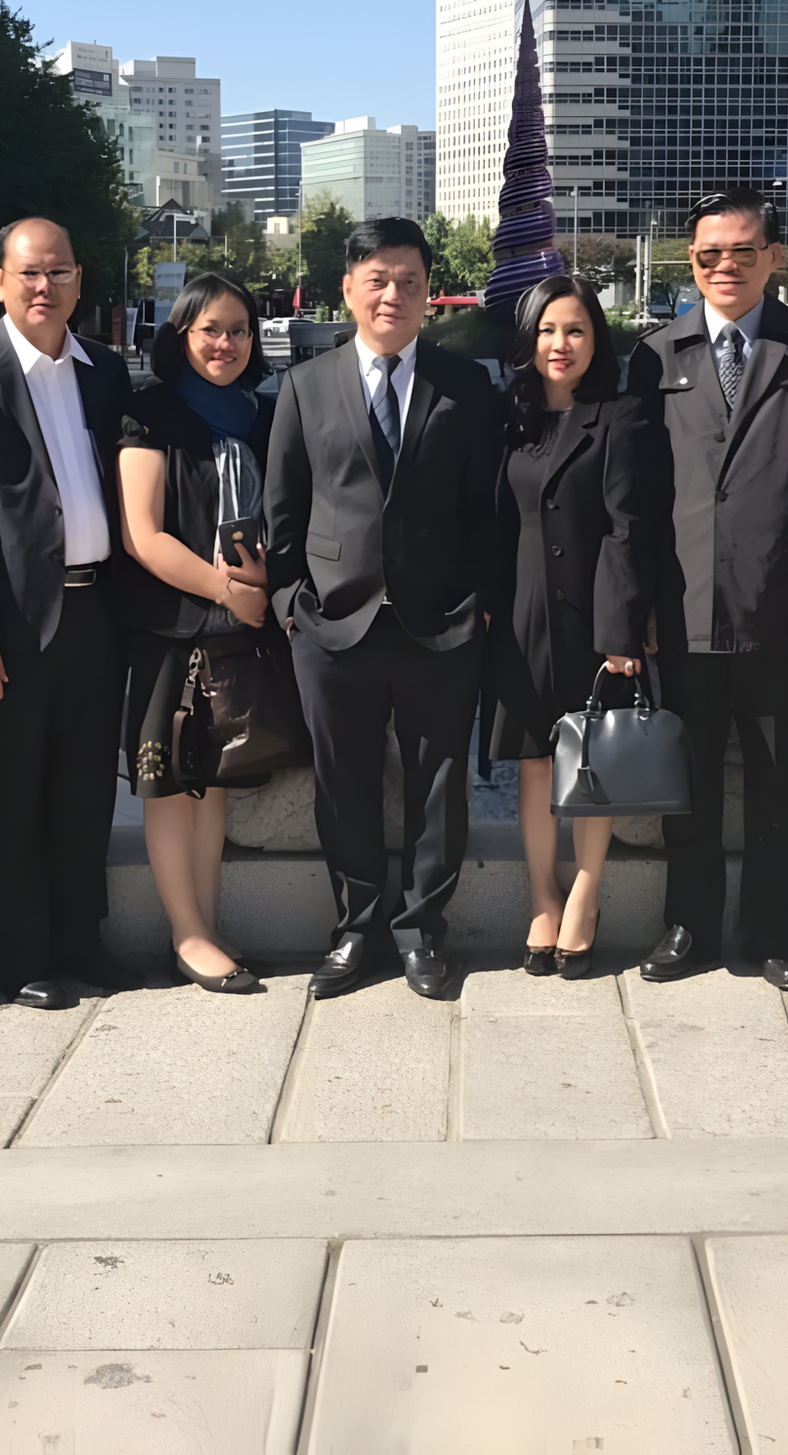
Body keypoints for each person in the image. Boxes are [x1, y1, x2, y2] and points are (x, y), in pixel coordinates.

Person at [265, 217, 502, 1000]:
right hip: (334, 623)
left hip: (442, 620)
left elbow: (488, 509)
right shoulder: (304, 385)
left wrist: (481, 602)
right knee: (345, 785)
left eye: (408, 279)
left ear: (429, 291)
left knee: (439, 785)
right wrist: (288, 603)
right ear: (349, 288)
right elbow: (284, 513)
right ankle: (355, 929)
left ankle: (422, 933)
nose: (393, 293)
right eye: (377, 279)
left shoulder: (465, 386)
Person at [624, 187, 788, 990]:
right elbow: (640, 497)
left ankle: (770, 933)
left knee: (772, 776)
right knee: (687, 782)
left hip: (776, 605)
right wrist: (641, 603)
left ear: (774, 258)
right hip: (682, 606)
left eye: (742, 251)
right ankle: (687, 926)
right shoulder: (656, 353)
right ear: (691, 262)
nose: (725, 266)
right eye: (708, 254)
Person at [0, 217, 137, 1011]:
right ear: (0, 281)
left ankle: (83, 938)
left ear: (80, 281)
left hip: (97, 615)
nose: (44, 287)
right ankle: (18, 955)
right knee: (10, 797)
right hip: (10, 629)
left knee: (85, 791)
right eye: (29, 274)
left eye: (59, 272)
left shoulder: (104, 370)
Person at [482, 275, 657, 977]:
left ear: (595, 339)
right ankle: (543, 895)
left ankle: (585, 893)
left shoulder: (621, 415)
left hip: (592, 615)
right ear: (529, 339)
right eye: (549, 330)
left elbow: (628, 530)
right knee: (532, 761)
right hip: (519, 615)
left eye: (576, 329)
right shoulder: (506, 418)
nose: (562, 344)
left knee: (592, 762)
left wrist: (622, 631)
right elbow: (488, 521)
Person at [113, 273, 277, 994]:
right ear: (181, 334)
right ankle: (187, 933)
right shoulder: (149, 413)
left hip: (240, 634)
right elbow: (142, 535)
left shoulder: (261, 414)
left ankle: (206, 926)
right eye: (211, 328)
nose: (226, 343)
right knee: (170, 781)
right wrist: (229, 592)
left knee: (213, 782)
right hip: (172, 628)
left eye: (239, 329)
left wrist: (260, 597)